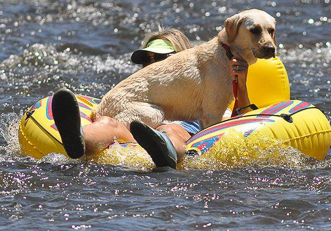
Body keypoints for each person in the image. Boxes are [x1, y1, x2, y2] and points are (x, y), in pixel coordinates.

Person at [52, 27, 250, 168]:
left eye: (162, 58)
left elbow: (237, 123)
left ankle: (167, 154)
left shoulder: (211, 92)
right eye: (147, 59)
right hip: (134, 134)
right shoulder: (133, 93)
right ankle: (78, 139)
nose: (153, 65)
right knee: (109, 122)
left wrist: (240, 84)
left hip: (175, 134)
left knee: (169, 128)